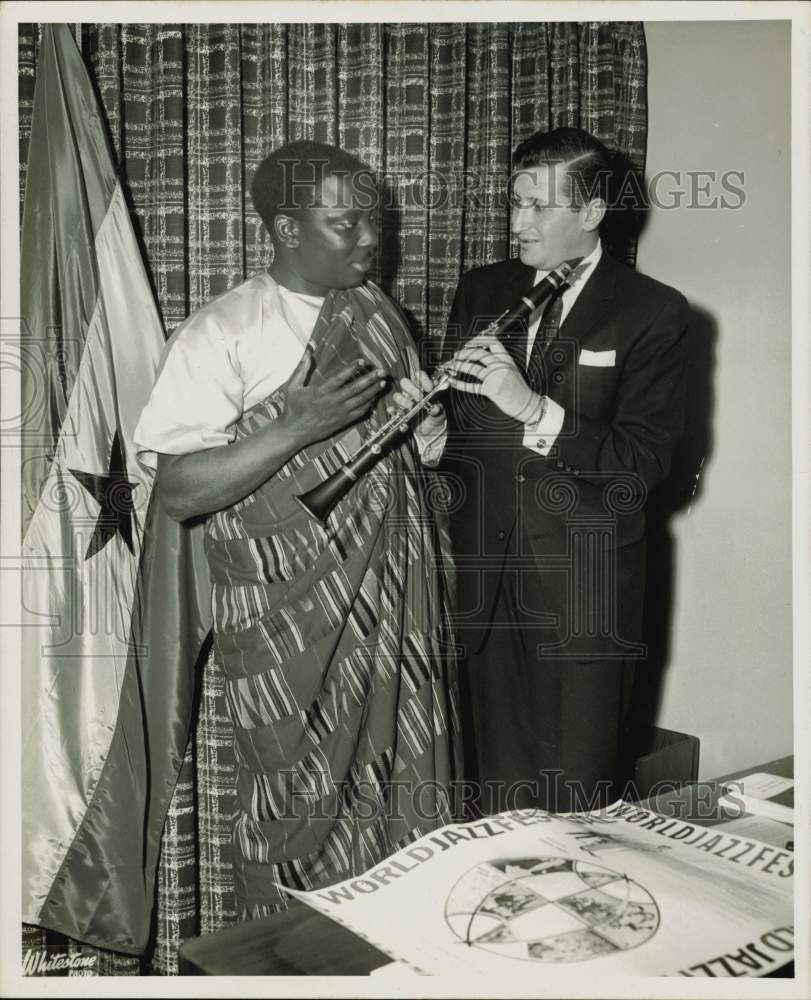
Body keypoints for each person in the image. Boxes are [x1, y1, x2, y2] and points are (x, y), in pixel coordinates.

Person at [134, 140, 461, 917]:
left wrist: (428, 433)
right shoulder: (222, 332)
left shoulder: (381, 315)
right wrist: (293, 428)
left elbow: (408, 464)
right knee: (292, 810)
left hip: (393, 607)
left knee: (405, 795)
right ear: (286, 229)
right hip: (288, 625)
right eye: (343, 224)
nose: (368, 240)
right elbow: (178, 491)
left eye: (371, 222)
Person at [441, 127, 688, 815]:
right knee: (484, 790)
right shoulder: (482, 288)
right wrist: (435, 440)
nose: (518, 223)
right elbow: (468, 437)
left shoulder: (652, 312)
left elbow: (641, 464)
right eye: (513, 203)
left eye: (538, 207)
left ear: (591, 211)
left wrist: (531, 408)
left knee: (572, 797)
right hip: (483, 580)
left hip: (582, 590)